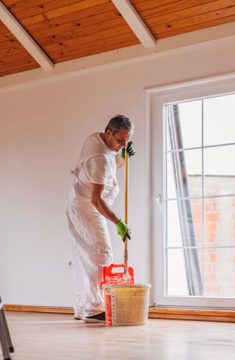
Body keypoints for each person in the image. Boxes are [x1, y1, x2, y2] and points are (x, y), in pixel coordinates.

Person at [67, 115, 135, 323]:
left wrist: (123, 157)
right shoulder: (98, 159)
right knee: (101, 253)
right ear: (108, 133)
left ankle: (84, 307)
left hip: (82, 199)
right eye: (120, 140)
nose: (124, 144)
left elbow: (111, 165)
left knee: (85, 256)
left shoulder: (97, 141)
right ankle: (95, 309)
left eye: (128, 140)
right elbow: (97, 199)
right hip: (87, 205)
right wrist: (118, 222)